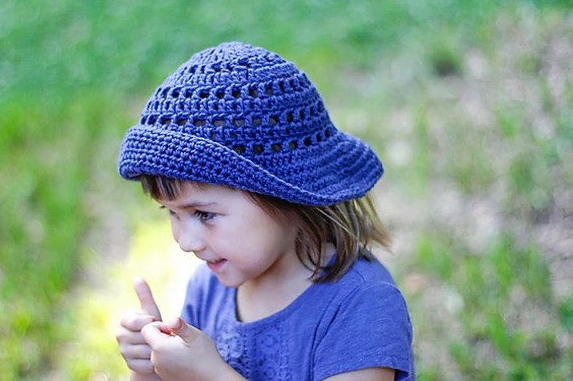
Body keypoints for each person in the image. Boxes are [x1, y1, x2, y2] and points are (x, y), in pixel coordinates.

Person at [115, 42, 415, 381]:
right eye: (170, 213)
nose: (185, 241)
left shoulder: (361, 304)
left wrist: (212, 376)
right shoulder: (208, 289)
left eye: (203, 214)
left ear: (284, 194)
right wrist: (150, 369)